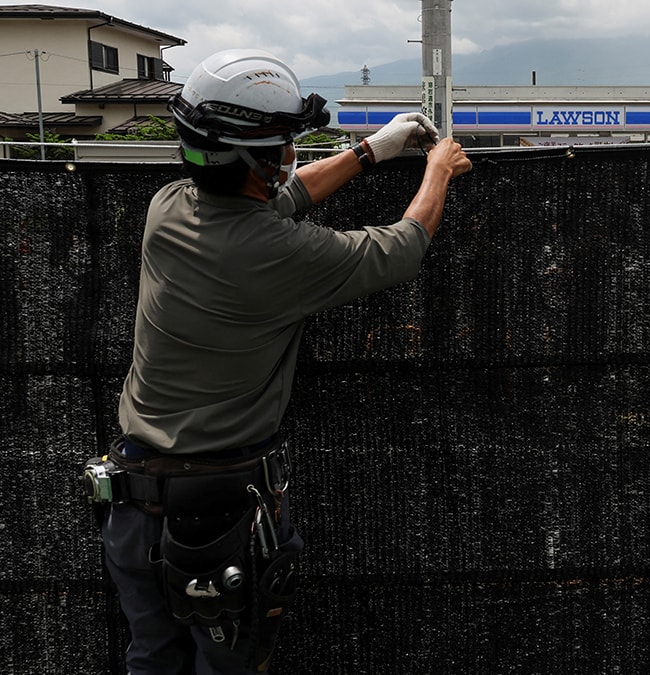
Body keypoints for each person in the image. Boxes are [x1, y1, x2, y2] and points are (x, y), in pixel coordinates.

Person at [94, 48, 472, 674]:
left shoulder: (167, 209)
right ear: (259, 160)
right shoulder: (281, 254)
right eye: (284, 145)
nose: (291, 156)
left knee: (151, 658)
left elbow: (278, 198)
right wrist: (437, 169)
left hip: (133, 506)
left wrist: (369, 151)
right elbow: (401, 249)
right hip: (219, 515)